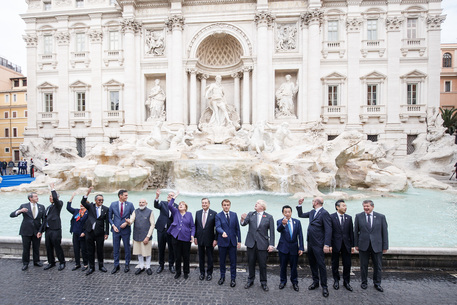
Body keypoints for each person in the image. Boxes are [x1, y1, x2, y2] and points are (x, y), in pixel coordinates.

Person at [297, 197, 332, 298]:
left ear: (316, 202)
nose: (312, 203)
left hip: (319, 244)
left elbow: (328, 229)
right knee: (312, 263)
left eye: (313, 201)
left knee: (321, 265)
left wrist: (326, 244)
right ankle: (315, 282)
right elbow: (301, 215)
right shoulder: (312, 212)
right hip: (311, 242)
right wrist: (299, 205)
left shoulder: (325, 213)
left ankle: (324, 286)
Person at [240, 199, 275, 291]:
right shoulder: (251, 214)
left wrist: (271, 244)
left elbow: (272, 232)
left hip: (262, 244)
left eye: (258, 203)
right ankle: (250, 280)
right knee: (250, 263)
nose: (256, 204)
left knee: (262, 265)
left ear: (262, 207)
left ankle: (263, 282)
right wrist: (242, 219)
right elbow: (243, 224)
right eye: (256, 203)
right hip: (251, 244)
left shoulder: (269, 217)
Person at [354, 200, 389, 292]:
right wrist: (356, 244)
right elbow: (356, 232)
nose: (366, 208)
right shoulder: (358, 216)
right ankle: (364, 282)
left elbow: (384, 232)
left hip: (377, 245)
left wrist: (385, 246)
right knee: (363, 265)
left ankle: (377, 283)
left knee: (377, 265)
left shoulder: (381, 217)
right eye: (364, 206)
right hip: (363, 245)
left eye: (367, 206)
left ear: (372, 207)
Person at [10, 192, 46, 270]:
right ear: (30, 198)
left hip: (37, 231)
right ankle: (25, 263)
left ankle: (36, 261)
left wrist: (41, 231)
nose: (37, 197)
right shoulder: (24, 206)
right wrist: (20, 211)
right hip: (26, 231)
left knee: (36, 247)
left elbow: (44, 221)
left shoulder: (42, 207)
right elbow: (12, 215)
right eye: (35, 196)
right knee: (26, 248)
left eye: (37, 196)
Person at [81, 187, 109, 275]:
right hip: (89, 231)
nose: (101, 201)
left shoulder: (106, 209)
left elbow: (107, 222)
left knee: (100, 250)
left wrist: (106, 233)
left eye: (102, 200)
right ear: (95, 200)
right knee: (90, 250)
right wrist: (87, 193)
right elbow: (83, 202)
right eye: (99, 200)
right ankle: (91, 267)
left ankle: (101, 266)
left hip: (100, 233)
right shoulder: (90, 206)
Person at [167, 192, 195, 279]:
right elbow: (169, 206)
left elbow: (193, 226)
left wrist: (192, 235)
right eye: (179, 204)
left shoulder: (189, 214)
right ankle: (178, 272)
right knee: (177, 257)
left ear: (186, 207)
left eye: (182, 205)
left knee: (186, 257)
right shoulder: (175, 212)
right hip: (176, 237)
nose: (180, 205)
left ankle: (186, 272)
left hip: (186, 238)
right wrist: (174, 198)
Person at [276, 205, 304, 292]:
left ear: (291, 212)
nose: (287, 214)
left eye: (289, 212)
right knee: (283, 266)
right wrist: (283, 224)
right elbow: (278, 229)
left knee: (294, 267)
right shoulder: (280, 221)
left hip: (294, 248)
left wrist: (301, 247)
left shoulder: (297, 222)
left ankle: (294, 282)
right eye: (285, 212)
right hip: (283, 248)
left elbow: (300, 236)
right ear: (283, 213)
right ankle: (283, 281)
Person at [215, 199, 241, 288]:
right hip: (222, 242)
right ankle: (222, 277)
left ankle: (233, 279)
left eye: (228, 205)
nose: (226, 206)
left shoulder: (234, 215)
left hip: (233, 242)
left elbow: (237, 228)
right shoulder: (218, 216)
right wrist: (222, 232)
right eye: (224, 205)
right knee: (222, 261)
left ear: (230, 206)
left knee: (233, 262)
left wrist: (239, 241)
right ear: (222, 206)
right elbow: (217, 227)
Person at [329, 199, 354, 291]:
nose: (345, 207)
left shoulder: (349, 218)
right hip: (335, 244)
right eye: (343, 206)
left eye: (345, 206)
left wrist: (352, 245)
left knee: (347, 264)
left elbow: (351, 232)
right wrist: (329, 244)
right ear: (337, 207)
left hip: (346, 245)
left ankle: (346, 282)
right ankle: (336, 280)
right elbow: (329, 231)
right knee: (334, 263)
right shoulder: (331, 217)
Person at [40, 183, 66, 271]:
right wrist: (40, 231)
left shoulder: (59, 204)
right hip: (48, 230)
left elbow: (55, 198)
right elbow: (44, 220)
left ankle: (62, 262)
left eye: (52, 197)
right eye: (49, 197)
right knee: (48, 247)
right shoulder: (47, 208)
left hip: (56, 230)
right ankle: (51, 262)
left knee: (57, 246)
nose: (51, 198)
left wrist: (52, 189)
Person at [127, 198, 155, 275]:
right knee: (139, 252)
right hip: (137, 235)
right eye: (140, 202)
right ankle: (141, 266)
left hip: (146, 236)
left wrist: (148, 236)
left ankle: (148, 267)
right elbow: (131, 221)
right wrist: (128, 222)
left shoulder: (150, 212)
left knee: (147, 253)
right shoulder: (135, 211)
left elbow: (152, 225)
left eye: (143, 202)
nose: (141, 203)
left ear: (146, 203)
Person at [109, 189, 135, 274]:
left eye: (127, 195)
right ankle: (116, 265)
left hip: (126, 230)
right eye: (125, 195)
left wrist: (127, 223)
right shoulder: (113, 204)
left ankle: (127, 265)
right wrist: (113, 226)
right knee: (115, 248)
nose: (127, 197)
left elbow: (134, 217)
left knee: (127, 248)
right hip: (115, 230)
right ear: (120, 196)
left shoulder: (130, 205)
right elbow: (109, 218)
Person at [194, 197, 217, 281]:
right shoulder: (198, 213)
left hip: (210, 239)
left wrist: (215, 239)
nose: (204, 204)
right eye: (203, 203)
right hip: (200, 238)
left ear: (209, 204)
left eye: (206, 203)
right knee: (201, 257)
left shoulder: (214, 213)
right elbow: (196, 226)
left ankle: (209, 273)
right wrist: (195, 237)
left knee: (210, 257)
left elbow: (216, 228)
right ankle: (202, 273)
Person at [154, 189, 177, 274]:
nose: (169, 196)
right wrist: (157, 196)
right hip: (161, 229)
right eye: (168, 195)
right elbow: (156, 205)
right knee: (161, 248)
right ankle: (161, 265)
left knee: (171, 249)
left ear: (174, 197)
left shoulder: (176, 206)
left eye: (171, 195)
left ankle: (171, 265)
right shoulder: (163, 203)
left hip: (171, 231)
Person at [66, 192, 89, 271]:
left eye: (83, 204)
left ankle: (85, 264)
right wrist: (71, 197)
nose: (81, 205)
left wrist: (85, 232)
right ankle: (77, 264)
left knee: (84, 250)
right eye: (81, 204)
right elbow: (68, 207)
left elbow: (89, 224)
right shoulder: (76, 211)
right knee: (76, 249)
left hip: (83, 234)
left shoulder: (88, 213)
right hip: (75, 233)